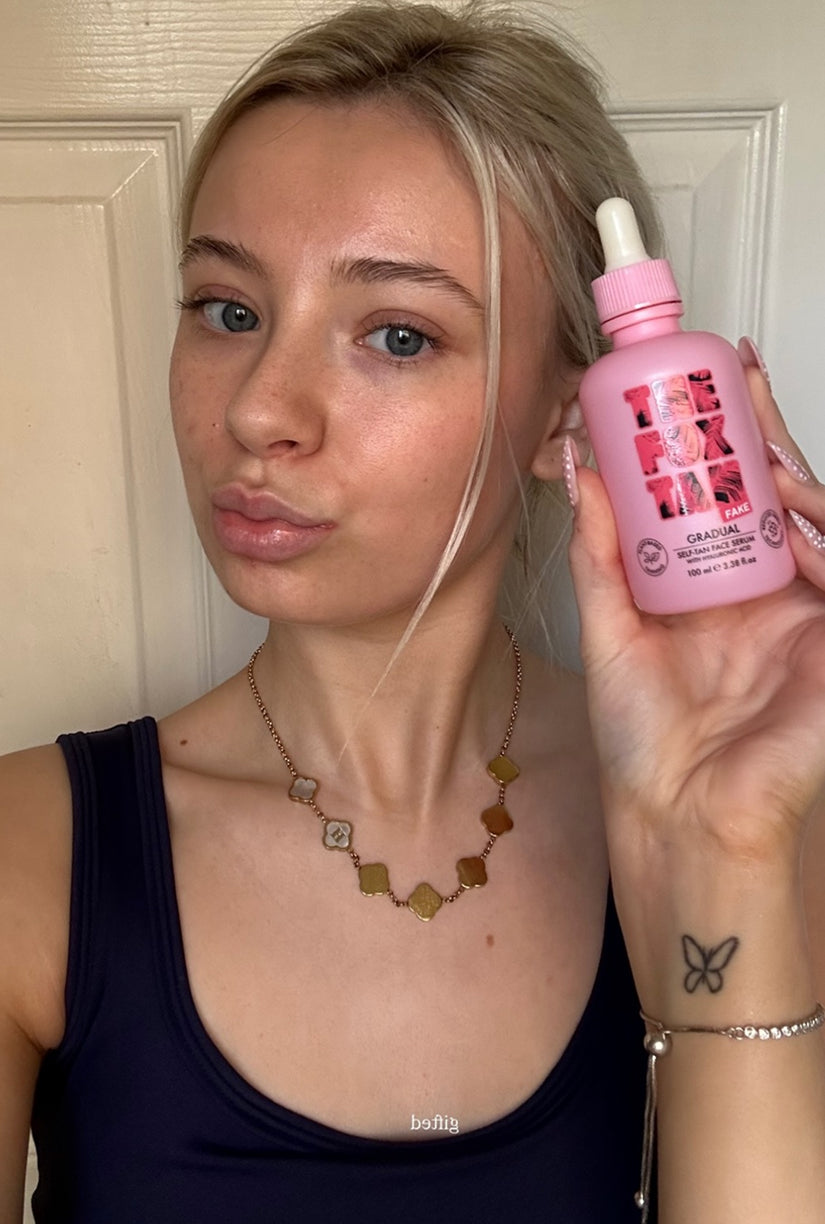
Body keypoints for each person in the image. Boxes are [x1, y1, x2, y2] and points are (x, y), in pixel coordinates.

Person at [2, 2, 825, 1221]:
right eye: (228, 310)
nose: (259, 411)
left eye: (396, 335)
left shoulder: (763, 829)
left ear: (569, 412)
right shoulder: (30, 854)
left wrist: (724, 851)